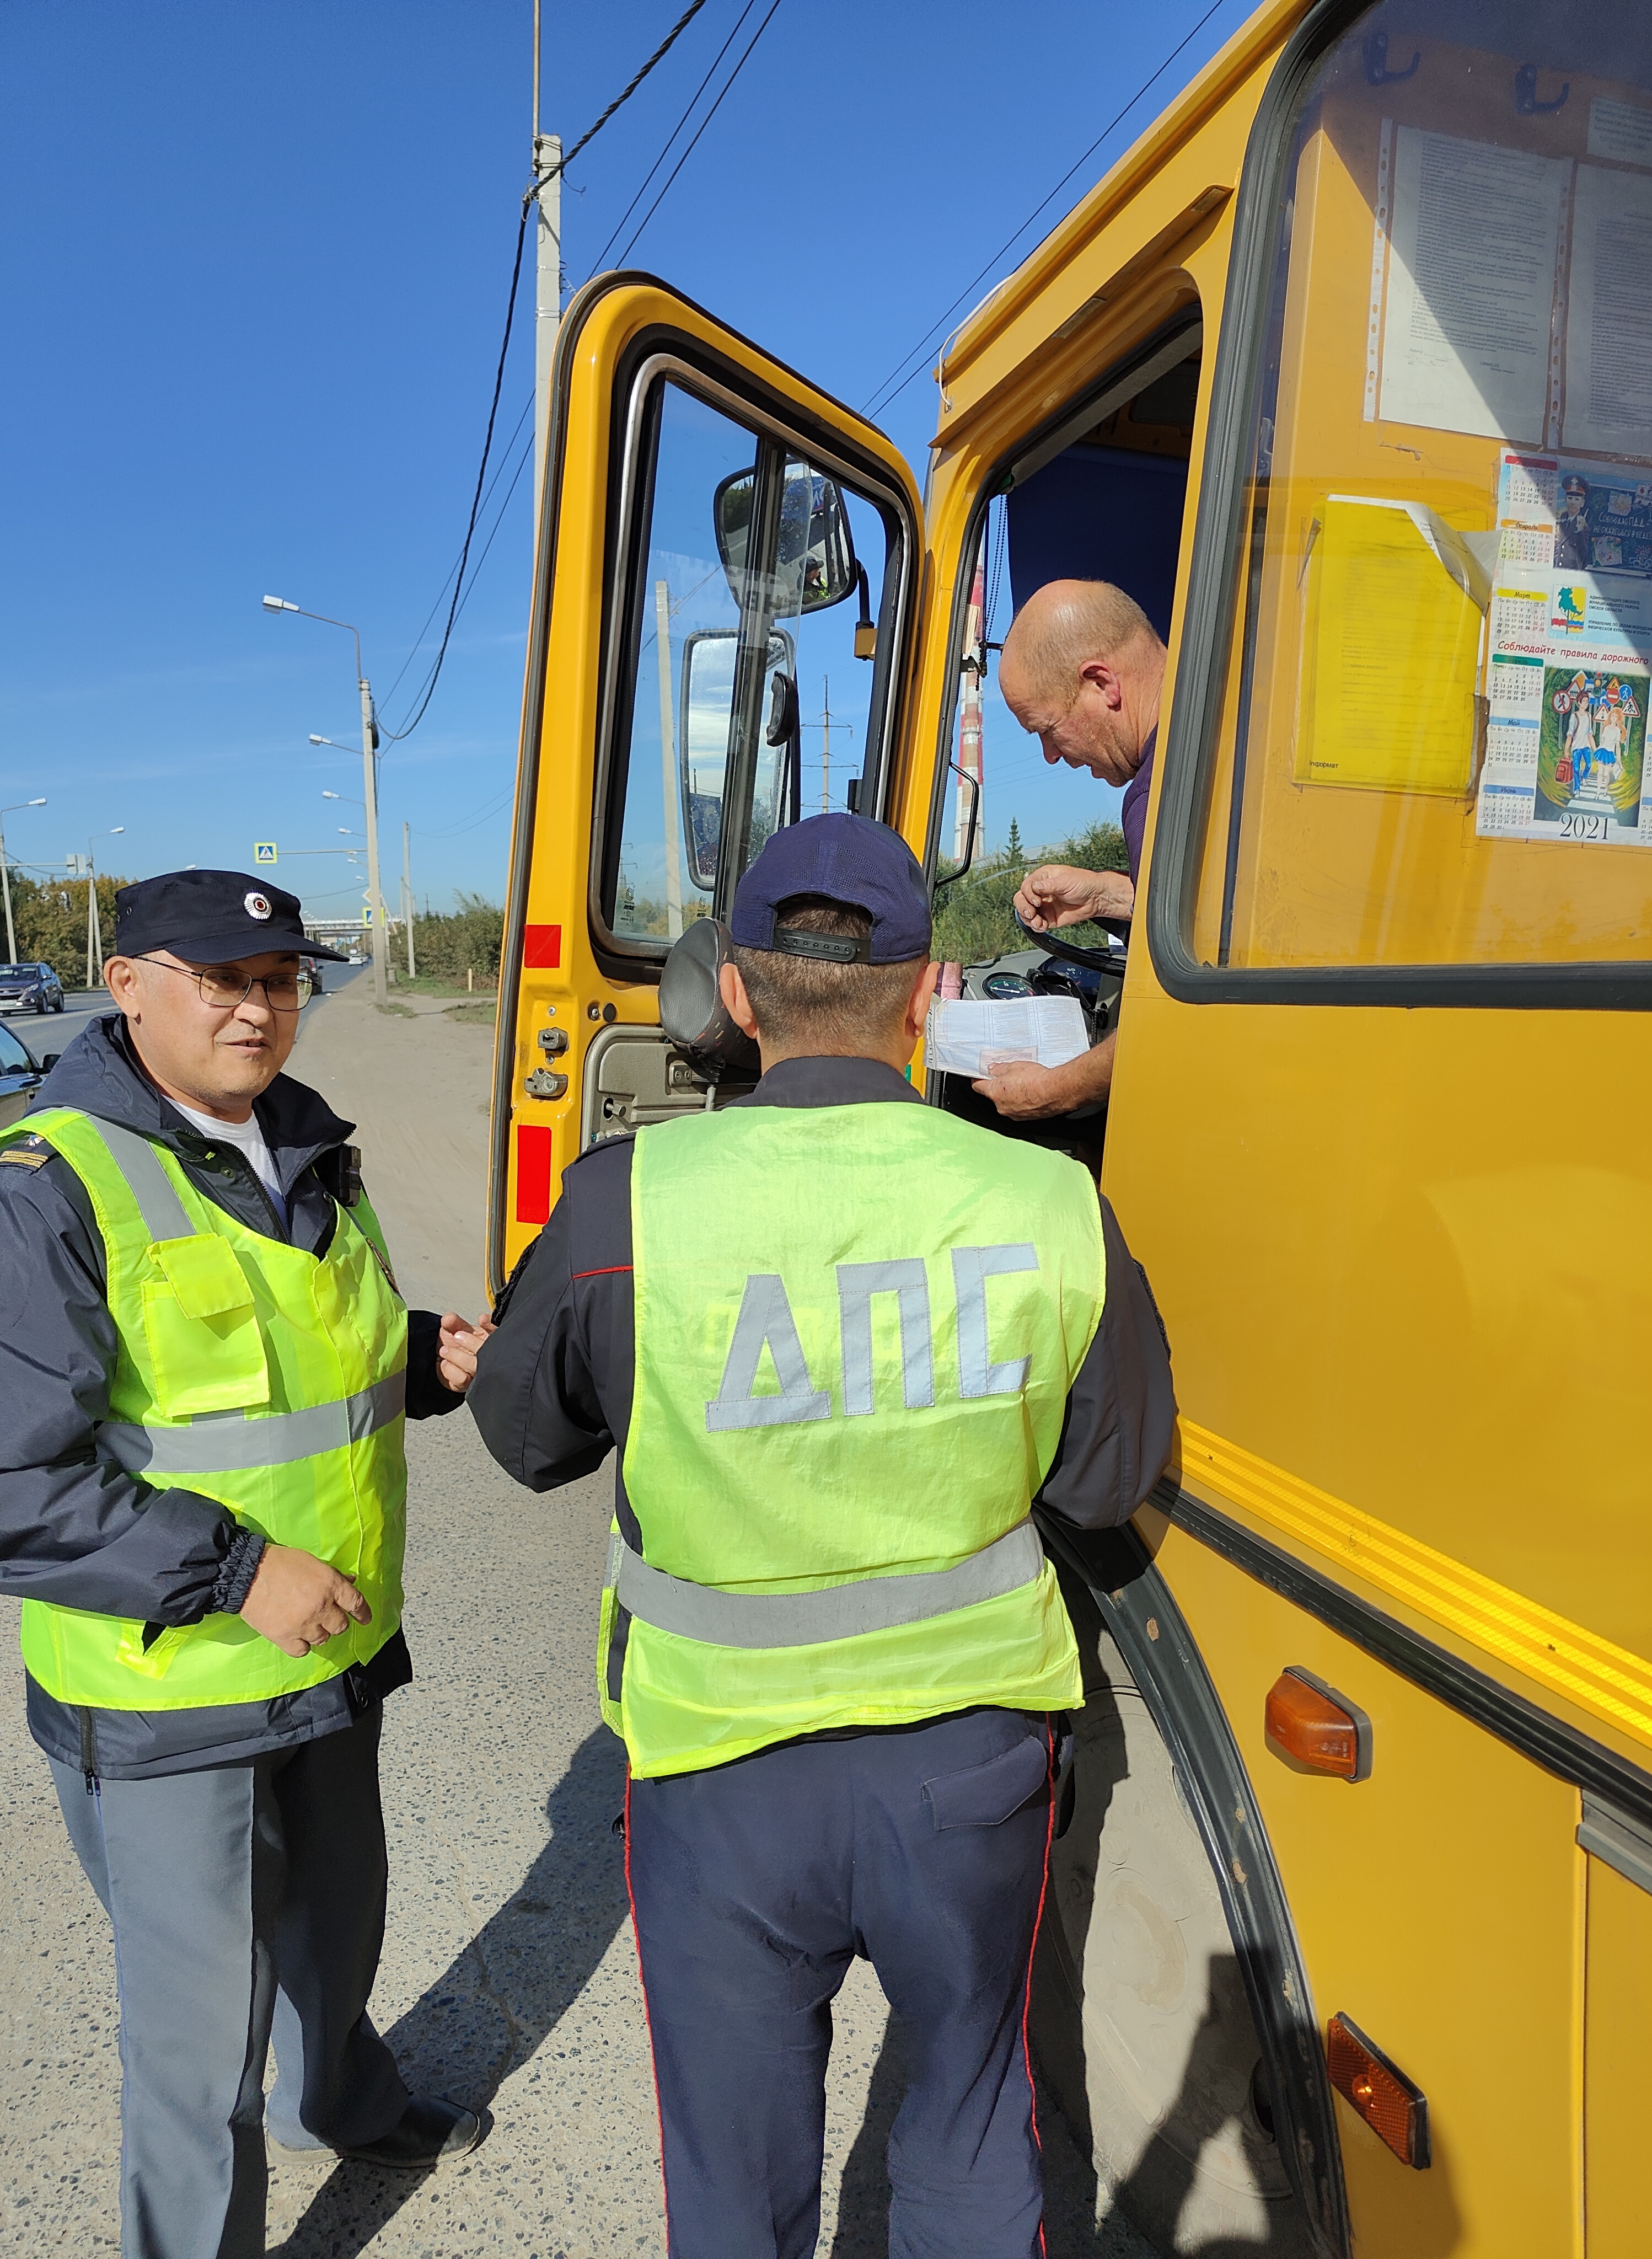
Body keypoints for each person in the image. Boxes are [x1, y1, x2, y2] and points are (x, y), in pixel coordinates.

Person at [469, 812, 1176, 2259]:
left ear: (735, 993)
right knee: (976, 2121)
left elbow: (531, 1442)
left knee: (735, 2179)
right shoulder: (1054, 1204)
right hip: (972, 1767)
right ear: (929, 996)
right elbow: (1109, 1485)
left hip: (721, 1774)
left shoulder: (624, 1205)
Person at [0, 870, 491, 2259]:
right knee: (199, 2046)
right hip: (167, 1686)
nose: (257, 1009)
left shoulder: (301, 1143)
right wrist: (236, 1572)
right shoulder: (45, 1186)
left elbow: (293, 1364)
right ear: (127, 982)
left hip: (329, 1649)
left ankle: (342, 2099)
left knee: (335, 1934)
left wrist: (417, 1357)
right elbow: (4, 1487)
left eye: (277, 980)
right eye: (221, 979)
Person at [984, 579, 1166, 1123]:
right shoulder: (1237, 718)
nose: (1050, 757)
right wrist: (1111, 895)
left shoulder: (1164, 793)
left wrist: (1052, 1092)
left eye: (1048, 729)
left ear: (1101, 682)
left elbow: (1180, 1013)